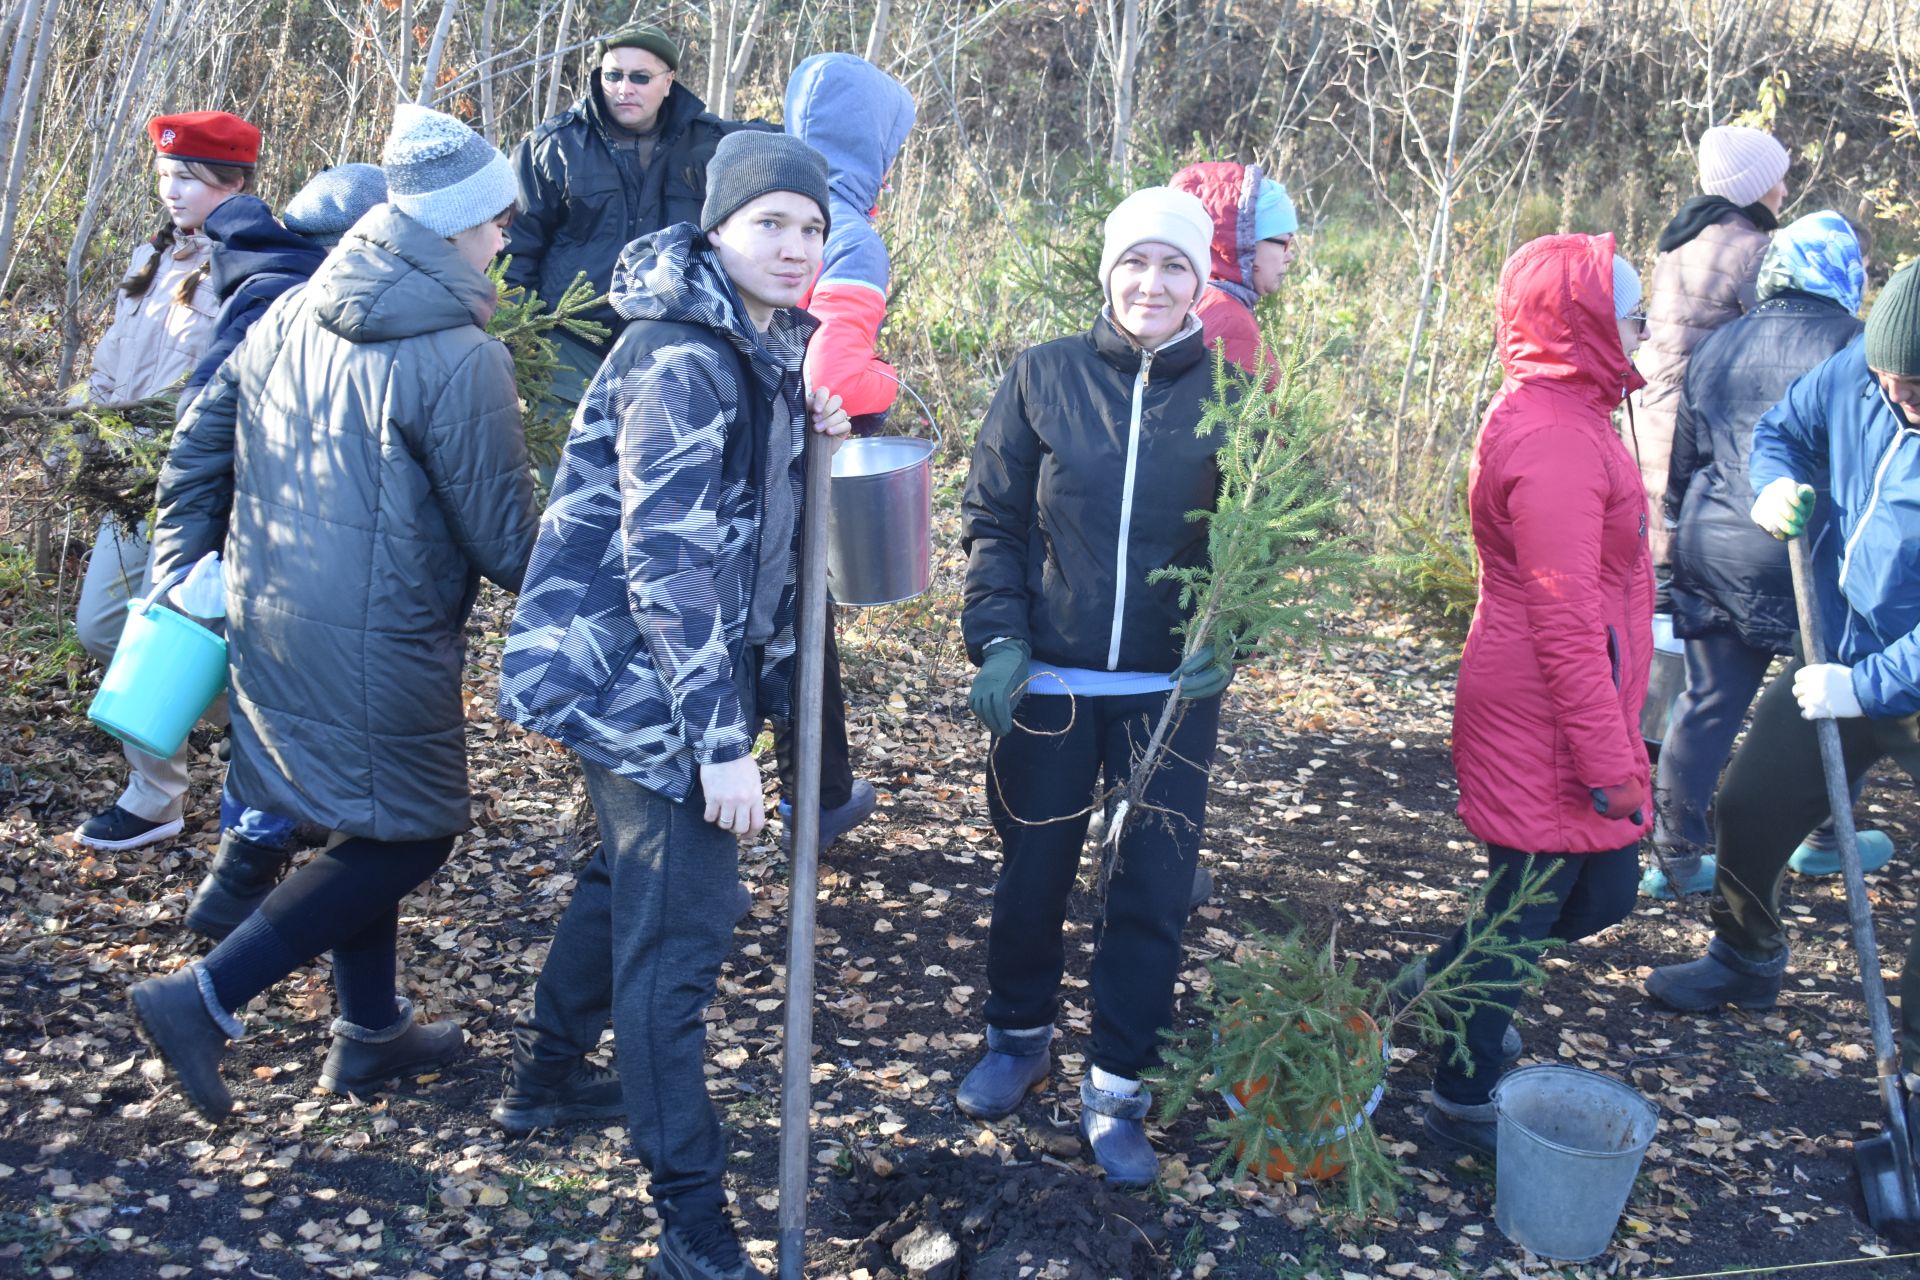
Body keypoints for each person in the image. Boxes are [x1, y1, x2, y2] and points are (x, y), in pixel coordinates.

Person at [125, 104, 535, 1119]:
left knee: (361, 819)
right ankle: (205, 995)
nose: (506, 237)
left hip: (273, 619)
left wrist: (182, 566)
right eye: (496, 222)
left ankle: (371, 1030)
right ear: (450, 228)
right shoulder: (458, 354)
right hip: (381, 635)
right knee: (410, 835)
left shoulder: (290, 310)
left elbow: (196, 445)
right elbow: (509, 542)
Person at [495, 132, 849, 1280]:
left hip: (665, 674)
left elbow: (744, 516)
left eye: (809, 226)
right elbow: (666, 567)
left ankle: (547, 1076)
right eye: (769, 225)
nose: (792, 246)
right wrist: (723, 745)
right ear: (717, 230)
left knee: (622, 885)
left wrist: (813, 438)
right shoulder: (684, 356)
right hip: (646, 683)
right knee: (677, 948)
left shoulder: (762, 343)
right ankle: (691, 1221)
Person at [954, 186, 1234, 1188]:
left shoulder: (1232, 397)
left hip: (1171, 689)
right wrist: (998, 639)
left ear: (1199, 282)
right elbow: (995, 519)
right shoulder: (1043, 376)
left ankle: (1117, 1085)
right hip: (1055, 678)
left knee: (1150, 888)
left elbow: (1256, 545)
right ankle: (1017, 1034)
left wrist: (1227, 635)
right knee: (1034, 871)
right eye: (1135, 263)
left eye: (1174, 267)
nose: (1151, 284)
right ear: (1107, 271)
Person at [1645, 262, 1920, 1077]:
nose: (1899, 399)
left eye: (1918, 388)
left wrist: (1866, 689)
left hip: (1893, 670)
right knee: (1751, 804)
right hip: (1840, 639)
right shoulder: (1860, 370)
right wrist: (1775, 486)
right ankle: (1746, 955)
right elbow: (1786, 432)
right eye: (1890, 382)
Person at [1423, 235, 1652, 1156]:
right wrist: (1611, 763)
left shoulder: (1574, 412)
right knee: (1532, 907)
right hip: (1546, 715)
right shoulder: (1556, 437)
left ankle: (1447, 992)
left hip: (1565, 702)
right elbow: (1563, 622)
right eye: (1632, 313)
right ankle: (1463, 1082)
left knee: (1582, 896)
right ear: (1587, 323)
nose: (1643, 329)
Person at [1643, 212, 1894, 899]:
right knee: (1832, 700)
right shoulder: (1856, 345)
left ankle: (1674, 856)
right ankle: (1819, 842)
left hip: (1714, 541)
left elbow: (1685, 458)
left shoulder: (1720, 342)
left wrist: (1670, 540)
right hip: (1807, 550)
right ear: (1846, 276)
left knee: (1708, 700)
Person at [172, 161, 390, 941]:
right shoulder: (287, 305)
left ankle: (251, 868)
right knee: (290, 724)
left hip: (286, 551)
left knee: (282, 721)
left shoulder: (299, 298)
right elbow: (203, 424)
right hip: (290, 553)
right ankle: (248, 868)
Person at [72, 110, 258, 854]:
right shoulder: (152, 259)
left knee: (167, 628)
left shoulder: (246, 263)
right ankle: (258, 724)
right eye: (165, 176)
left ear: (234, 181)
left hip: (198, 487)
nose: (172, 191)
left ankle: (154, 798)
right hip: (127, 479)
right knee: (104, 626)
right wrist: (87, 437)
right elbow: (111, 365)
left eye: (189, 178)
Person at [768, 51, 917, 850]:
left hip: (748, 462)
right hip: (799, 467)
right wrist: (884, 385)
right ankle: (816, 799)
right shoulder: (849, 235)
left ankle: (809, 797)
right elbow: (829, 371)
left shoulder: (762, 206)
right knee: (801, 627)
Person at [502, 24, 754, 426]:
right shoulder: (554, 147)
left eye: (640, 77)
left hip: (675, 350)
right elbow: (513, 251)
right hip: (568, 351)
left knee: (654, 481)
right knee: (571, 484)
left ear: (668, 82)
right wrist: (523, 344)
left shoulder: (712, 146)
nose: (624, 88)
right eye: (613, 75)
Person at [1165, 157, 1298, 909]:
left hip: (1186, 562)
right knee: (1178, 718)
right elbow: (1242, 462)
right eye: (1280, 239)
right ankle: (1162, 867)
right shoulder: (1226, 320)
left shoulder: (1211, 305)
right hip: (1198, 568)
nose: (1289, 255)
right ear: (1235, 240)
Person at [1635, 124, 1789, 590]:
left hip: (1650, 421)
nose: (1784, 190)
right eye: (1777, 179)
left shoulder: (1682, 239)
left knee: (1652, 569)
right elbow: (1772, 350)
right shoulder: (1752, 250)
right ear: (1754, 188)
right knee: (1678, 580)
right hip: (1692, 433)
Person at [1169, 160, 1298, 374]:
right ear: (1247, 242)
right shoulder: (1230, 324)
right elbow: (1260, 407)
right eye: (1284, 243)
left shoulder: (1193, 299)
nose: (1289, 256)